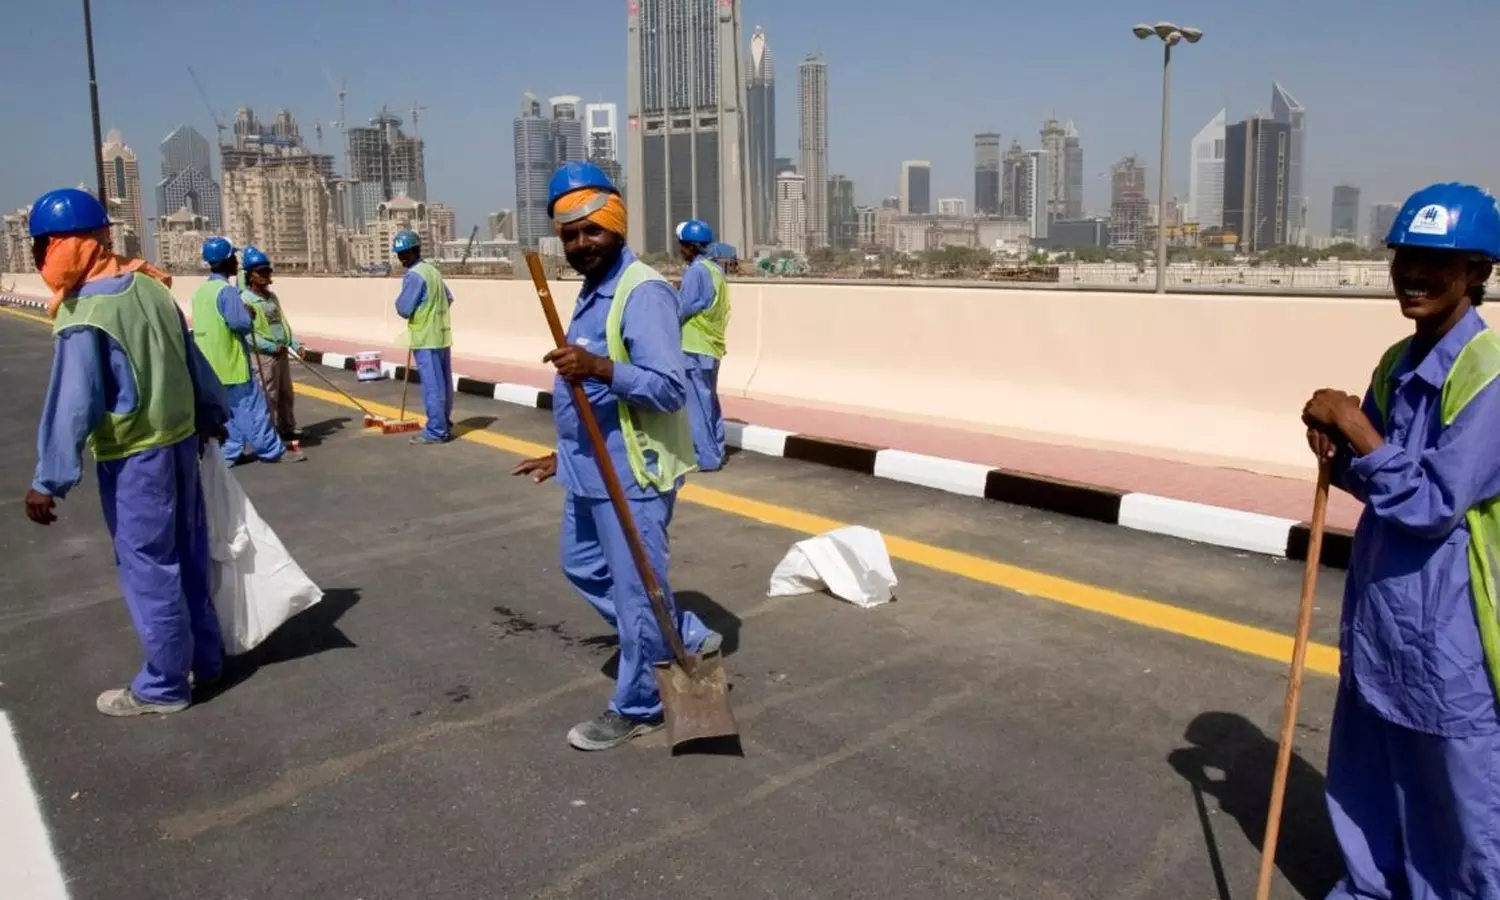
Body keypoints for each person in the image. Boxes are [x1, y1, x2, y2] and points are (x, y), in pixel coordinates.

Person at [1301, 182, 1500, 898]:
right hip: (1381, 613)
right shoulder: (1395, 363)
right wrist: (1335, 446)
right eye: (1405, 257)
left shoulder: (1490, 378)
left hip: (1451, 629)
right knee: (1370, 772)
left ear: (1478, 272)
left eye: (1436, 262)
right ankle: (1371, 886)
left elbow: (1431, 505)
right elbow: (1375, 480)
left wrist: (1358, 430)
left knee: (1454, 794)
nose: (1413, 274)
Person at [512, 161, 722, 751]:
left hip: (633, 473)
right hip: (589, 467)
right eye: (570, 235)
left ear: (616, 227)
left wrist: (601, 366)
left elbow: (669, 387)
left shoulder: (643, 292)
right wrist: (561, 453)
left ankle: (639, 703)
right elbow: (588, 400)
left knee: (636, 595)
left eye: (592, 231)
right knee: (581, 566)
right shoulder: (590, 290)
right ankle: (677, 630)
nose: (581, 244)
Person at [22, 187, 232, 716]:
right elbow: (193, 362)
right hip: (181, 443)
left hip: (136, 456)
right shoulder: (151, 287)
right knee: (188, 554)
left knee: (148, 564)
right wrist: (211, 414)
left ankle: (164, 686)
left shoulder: (85, 313)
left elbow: (73, 404)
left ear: (64, 246)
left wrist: (49, 479)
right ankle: (206, 660)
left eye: (42, 246)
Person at [190, 237, 303, 464]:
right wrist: (247, 315)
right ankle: (272, 451)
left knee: (227, 414)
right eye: (233, 258)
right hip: (232, 363)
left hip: (210, 365)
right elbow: (240, 324)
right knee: (254, 409)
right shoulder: (227, 292)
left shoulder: (201, 292)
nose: (236, 263)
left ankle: (230, 453)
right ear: (226, 261)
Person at [675, 219, 731, 471]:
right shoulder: (716, 270)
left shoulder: (696, 272)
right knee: (708, 401)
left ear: (689, 247)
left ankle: (705, 458)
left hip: (694, 346)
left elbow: (683, 308)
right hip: (711, 345)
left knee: (696, 405)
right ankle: (716, 449)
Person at [391, 229, 455, 445]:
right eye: (399, 254)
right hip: (441, 335)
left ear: (414, 251)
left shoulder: (414, 275)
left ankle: (436, 430)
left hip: (425, 337)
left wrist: (407, 308)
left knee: (433, 386)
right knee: (443, 383)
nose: (401, 258)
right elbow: (448, 298)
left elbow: (404, 308)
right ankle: (444, 422)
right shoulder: (432, 271)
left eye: (404, 253)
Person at [240, 246, 303, 447]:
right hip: (264, 357)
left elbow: (281, 323)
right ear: (251, 275)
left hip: (281, 352)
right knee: (269, 396)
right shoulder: (246, 300)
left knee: (285, 393)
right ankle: (269, 435)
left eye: (268, 271)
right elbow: (248, 334)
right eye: (262, 272)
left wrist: (294, 343)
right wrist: (269, 347)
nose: (267, 275)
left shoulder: (271, 297)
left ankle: (287, 428)